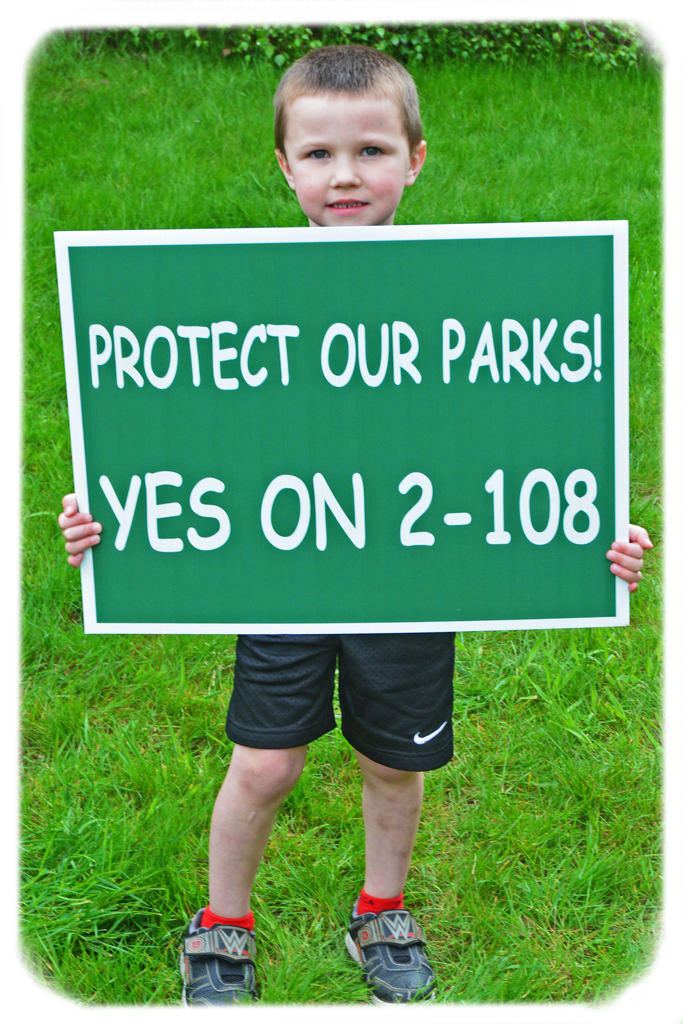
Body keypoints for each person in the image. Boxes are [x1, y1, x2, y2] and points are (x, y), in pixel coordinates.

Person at [57, 45, 654, 1012]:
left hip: (413, 575)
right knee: (264, 761)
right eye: (320, 154)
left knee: (392, 758)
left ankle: (381, 907)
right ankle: (223, 922)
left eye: (373, 149)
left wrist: (590, 532)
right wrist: (106, 515)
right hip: (283, 573)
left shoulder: (460, 292)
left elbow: (522, 425)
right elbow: (181, 422)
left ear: (415, 159)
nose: (346, 175)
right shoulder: (241, 297)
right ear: (284, 165)